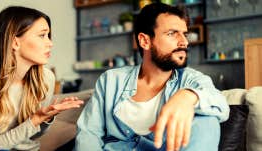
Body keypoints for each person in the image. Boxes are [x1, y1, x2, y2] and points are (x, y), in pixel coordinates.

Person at [75, 3, 229, 151]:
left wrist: (188, 96)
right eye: (172, 33)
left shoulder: (192, 80)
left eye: (184, 34)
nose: (184, 42)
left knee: (208, 121)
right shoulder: (111, 80)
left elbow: (221, 105)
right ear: (145, 41)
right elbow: (89, 133)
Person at [0, 6, 84, 151]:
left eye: (49, 35)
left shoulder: (45, 78)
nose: (50, 43)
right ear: (15, 42)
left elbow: (32, 138)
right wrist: (34, 121)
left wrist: (46, 118)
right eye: (42, 35)